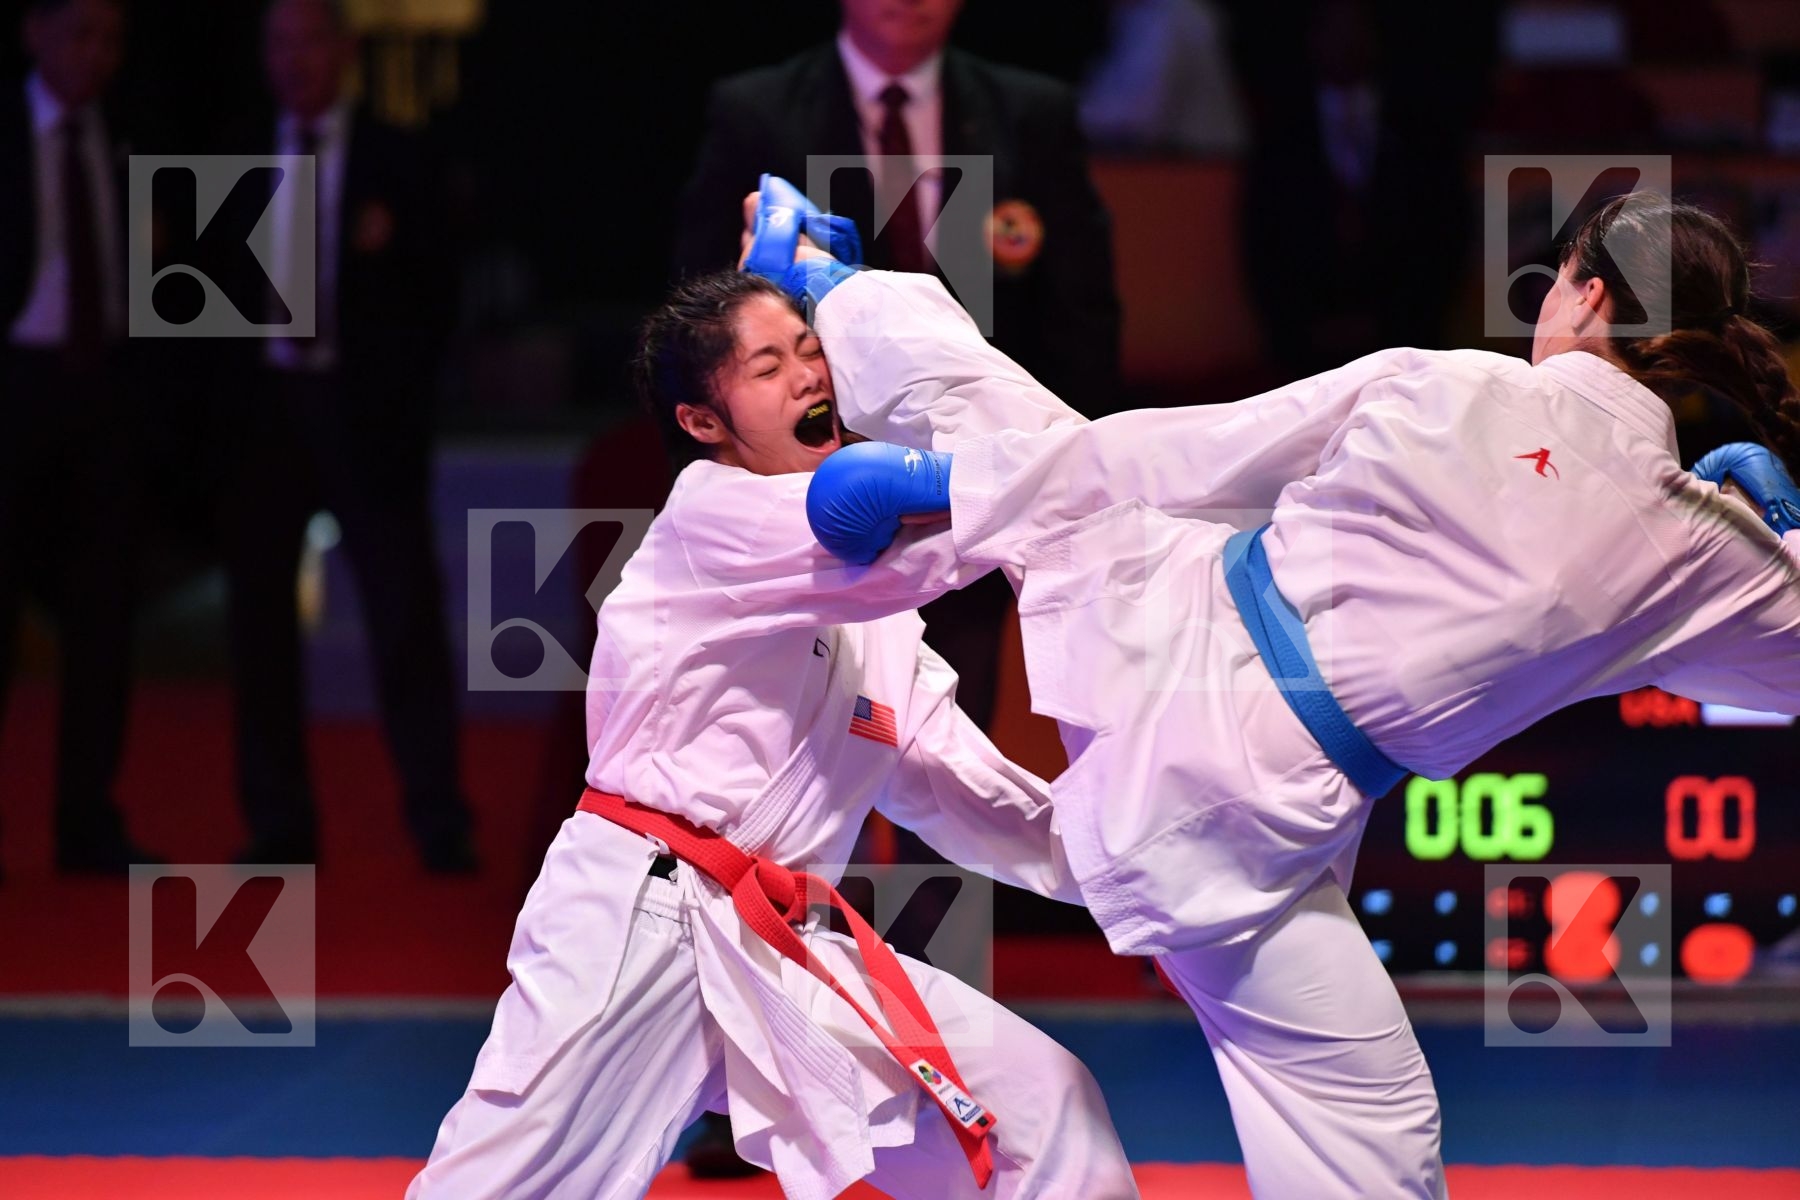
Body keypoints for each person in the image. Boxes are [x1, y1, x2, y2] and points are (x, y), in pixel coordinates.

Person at [776, 193, 1800, 1197]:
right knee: (1369, 1144)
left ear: (1581, 294)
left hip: (1161, 626)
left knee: (1010, 420)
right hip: (1228, 810)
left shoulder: (1451, 385)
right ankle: (890, 718)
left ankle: (831, 284)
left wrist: (949, 488)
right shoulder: (1697, 544)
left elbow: (1181, 455)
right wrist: (1780, 529)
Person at [407, 269, 1138, 1200]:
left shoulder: (877, 623)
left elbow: (951, 784)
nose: (806, 376)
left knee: (1043, 1111)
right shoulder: (710, 518)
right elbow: (930, 546)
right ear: (703, 422)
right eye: (767, 366)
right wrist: (1063, 480)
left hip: (787, 945)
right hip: (642, 921)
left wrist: (1128, 866)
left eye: (808, 350)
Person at [675, 0, 1125, 749]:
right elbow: (695, 315)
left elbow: (1080, 310)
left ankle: (946, 872)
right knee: (810, 729)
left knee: (950, 726)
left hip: (976, 472)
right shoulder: (756, 112)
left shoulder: (1028, 113)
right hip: (807, 479)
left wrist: (1070, 473)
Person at [213, 0, 472, 871]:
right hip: (264, 416)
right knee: (257, 629)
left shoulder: (403, 154)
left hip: (369, 420)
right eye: (277, 42)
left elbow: (439, 297)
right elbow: (188, 305)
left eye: (309, 41)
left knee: (404, 619)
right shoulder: (232, 154)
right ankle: (278, 822)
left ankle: (438, 819)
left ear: (344, 50)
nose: (294, 60)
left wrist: (404, 404)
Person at [0, 0, 155, 875]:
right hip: (14, 387)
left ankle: (86, 821)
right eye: (76, 33)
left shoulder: (137, 133)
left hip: (104, 393)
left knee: (103, 621)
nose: (94, 54)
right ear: (33, 32)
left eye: (110, 37)